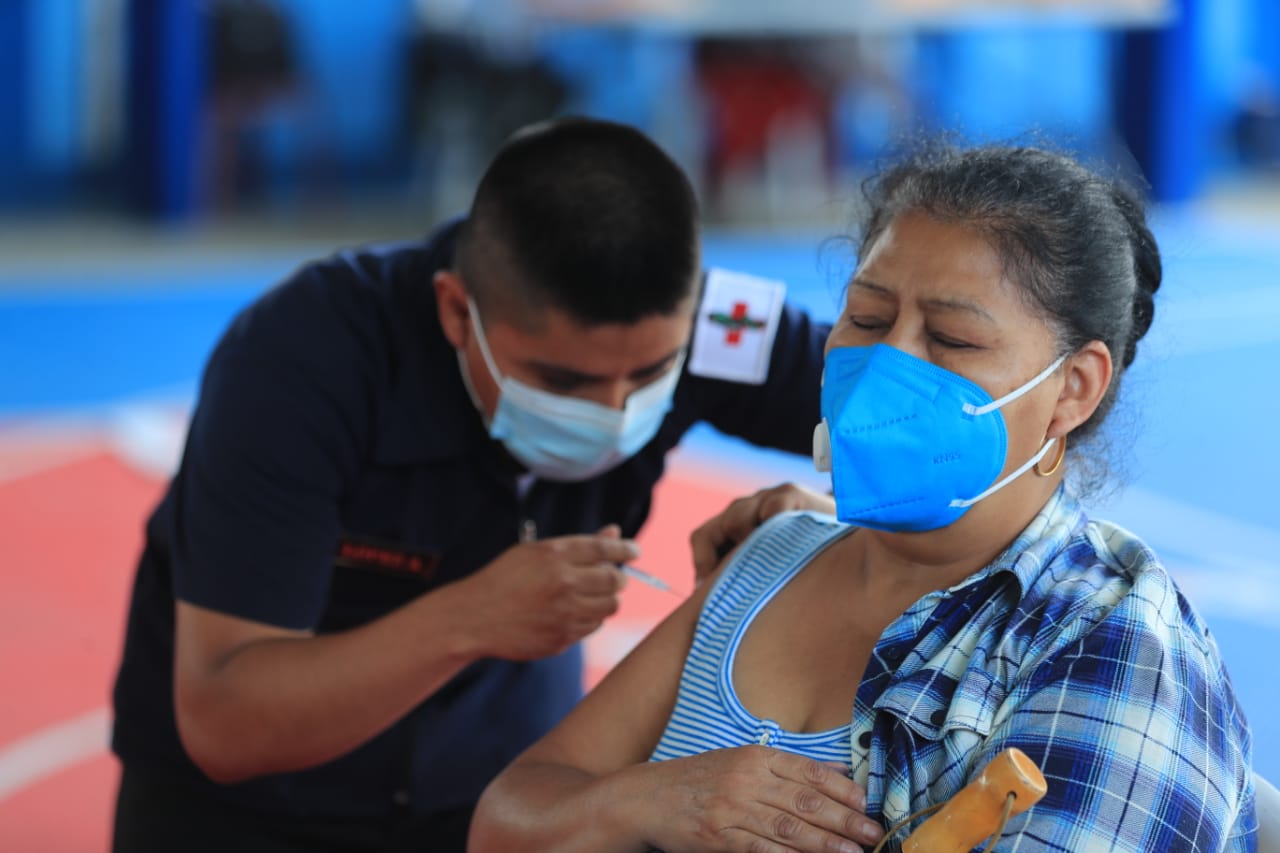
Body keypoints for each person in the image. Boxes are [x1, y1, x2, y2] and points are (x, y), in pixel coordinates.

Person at [469, 143, 1259, 852]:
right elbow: (509, 816)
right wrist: (651, 799)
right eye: (867, 317)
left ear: (1072, 389)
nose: (884, 367)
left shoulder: (1107, 645)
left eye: (949, 340)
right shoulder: (770, 558)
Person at [109, 117, 834, 852]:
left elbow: (920, 422)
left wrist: (817, 523)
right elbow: (226, 722)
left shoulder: (716, 323)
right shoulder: (302, 360)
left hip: (490, 797)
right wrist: (469, 620)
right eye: (562, 380)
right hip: (249, 816)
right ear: (459, 311)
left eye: (651, 375)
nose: (613, 413)